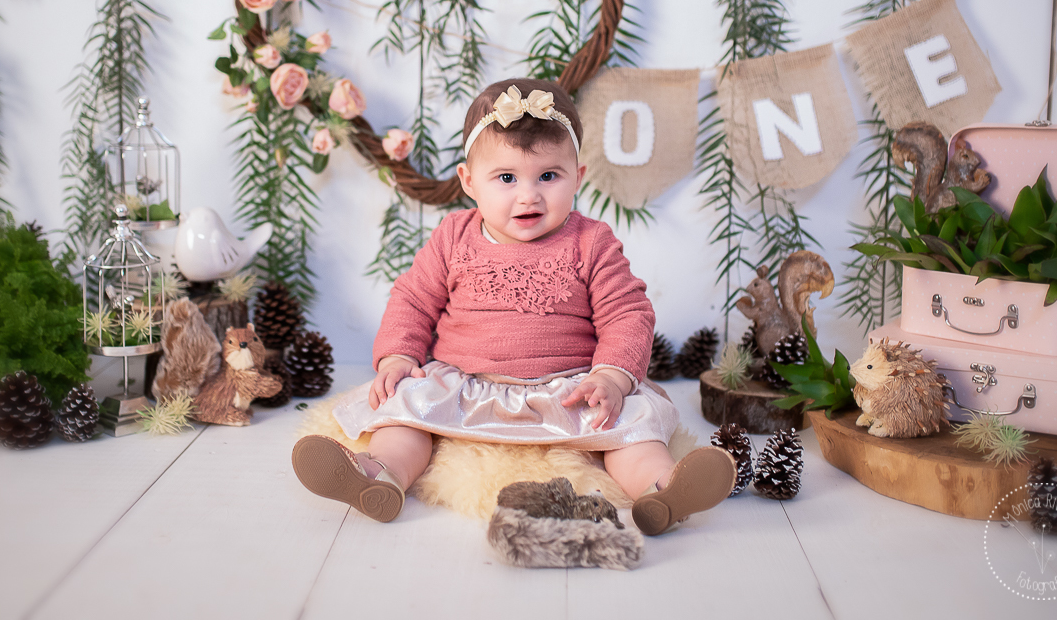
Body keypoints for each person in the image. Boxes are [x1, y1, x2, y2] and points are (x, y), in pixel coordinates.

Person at [291, 78, 735, 534]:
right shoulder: (452, 236)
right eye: (506, 178)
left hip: (570, 389)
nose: (529, 195)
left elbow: (627, 313)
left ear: (578, 176)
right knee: (406, 415)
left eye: (548, 176)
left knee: (629, 428)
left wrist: (611, 376)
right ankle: (378, 475)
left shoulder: (592, 242)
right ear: (469, 182)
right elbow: (413, 299)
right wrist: (398, 356)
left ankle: (661, 490)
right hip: (463, 384)